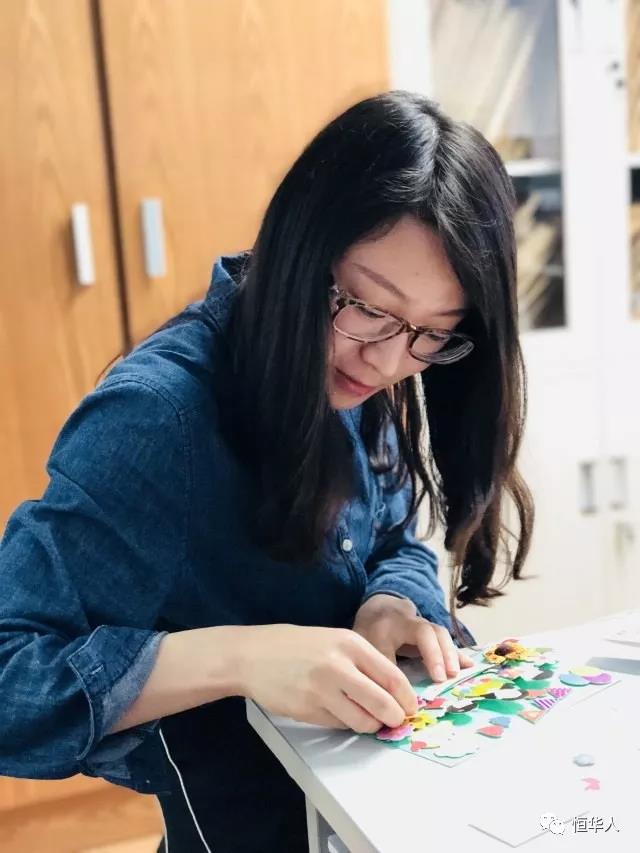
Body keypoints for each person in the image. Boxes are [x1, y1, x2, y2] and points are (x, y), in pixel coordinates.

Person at [0, 90, 533, 852]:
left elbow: (392, 534)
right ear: (299, 250)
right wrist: (239, 657)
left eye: (430, 334)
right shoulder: (158, 419)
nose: (388, 361)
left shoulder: (360, 366)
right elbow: (10, 681)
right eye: (369, 307)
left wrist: (391, 600)